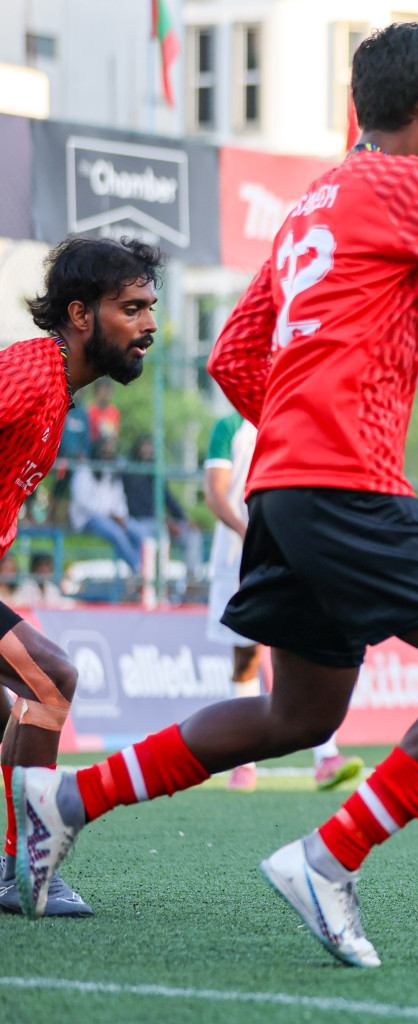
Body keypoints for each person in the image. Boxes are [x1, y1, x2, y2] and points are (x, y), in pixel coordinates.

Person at [15, 23, 418, 965]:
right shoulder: (412, 181)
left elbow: (231, 356)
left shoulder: (315, 200)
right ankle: (330, 858)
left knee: (298, 718)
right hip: (345, 484)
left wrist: (302, 427)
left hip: (285, 491)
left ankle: (62, 801)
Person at [0, 234, 165, 916]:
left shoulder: (58, 391)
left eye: (152, 307)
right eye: (132, 308)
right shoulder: (31, 374)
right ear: (79, 314)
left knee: (13, 710)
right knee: (51, 677)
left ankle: (15, 868)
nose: (150, 324)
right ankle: (27, 869)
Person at [203, 412, 363, 793]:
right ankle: (244, 764)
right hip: (238, 558)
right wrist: (252, 532)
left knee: (301, 647)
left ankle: (326, 756)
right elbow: (215, 493)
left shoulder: (297, 419)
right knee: (245, 658)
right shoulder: (229, 427)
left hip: (290, 551)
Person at [69, 433, 152, 575]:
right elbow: (83, 501)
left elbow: (119, 499)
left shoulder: (111, 472)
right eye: (105, 451)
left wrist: (120, 515)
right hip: (89, 519)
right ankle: (139, 571)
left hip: (114, 517)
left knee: (143, 534)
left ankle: (146, 571)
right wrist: (110, 514)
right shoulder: (84, 470)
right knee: (117, 534)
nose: (108, 455)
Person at [124, 435, 203, 582]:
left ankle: (192, 581)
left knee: (193, 534)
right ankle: (159, 583)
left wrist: (185, 518)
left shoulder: (155, 473)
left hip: (161, 521)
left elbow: (169, 500)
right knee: (161, 534)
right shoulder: (130, 473)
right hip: (141, 521)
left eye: (150, 446)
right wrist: (163, 519)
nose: (148, 450)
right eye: (144, 446)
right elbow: (136, 507)